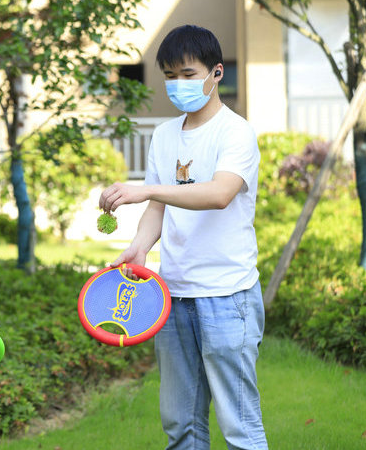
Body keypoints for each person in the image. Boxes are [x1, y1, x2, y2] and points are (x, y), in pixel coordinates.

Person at [99, 24, 268, 450]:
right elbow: (158, 210)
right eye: (170, 76)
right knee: (181, 427)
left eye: (188, 75)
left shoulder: (236, 132)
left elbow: (219, 193)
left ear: (216, 74)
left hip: (227, 296)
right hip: (171, 296)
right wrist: (138, 248)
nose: (178, 85)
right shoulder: (164, 135)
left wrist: (147, 188)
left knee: (240, 428)